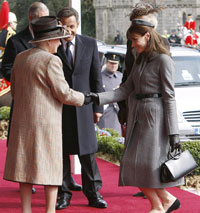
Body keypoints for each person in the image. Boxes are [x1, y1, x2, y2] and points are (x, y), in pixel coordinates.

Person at [85, 19, 184, 213]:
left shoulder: (163, 60)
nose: (132, 44)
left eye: (134, 39)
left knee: (146, 167)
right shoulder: (140, 59)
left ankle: (160, 205)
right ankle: (165, 202)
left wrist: (174, 133)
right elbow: (125, 90)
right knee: (131, 165)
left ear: (147, 36)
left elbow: (170, 97)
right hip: (137, 115)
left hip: (155, 118)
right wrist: (96, 97)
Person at [3, 16, 85, 213]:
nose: (59, 43)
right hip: (46, 124)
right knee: (51, 169)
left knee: (24, 169)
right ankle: (49, 211)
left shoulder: (21, 57)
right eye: (58, 39)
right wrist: (84, 98)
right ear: (49, 40)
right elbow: (64, 93)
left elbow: (14, 90)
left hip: (21, 122)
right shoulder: (51, 60)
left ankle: (26, 210)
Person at [55, 7, 107, 210]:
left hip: (85, 107)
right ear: (59, 25)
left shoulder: (90, 43)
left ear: (77, 24)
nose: (69, 31)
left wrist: (98, 107)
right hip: (60, 108)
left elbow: (97, 77)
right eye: (65, 26)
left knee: (88, 154)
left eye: (72, 26)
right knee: (61, 154)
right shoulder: (52, 45)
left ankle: (94, 193)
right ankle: (63, 194)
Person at [118, 1, 169, 198]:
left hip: (150, 106)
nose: (132, 42)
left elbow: (163, 84)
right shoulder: (132, 44)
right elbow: (127, 74)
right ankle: (150, 190)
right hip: (132, 99)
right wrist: (122, 103)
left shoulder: (161, 49)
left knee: (148, 154)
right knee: (133, 155)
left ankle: (158, 195)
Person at [97, 53, 122, 135]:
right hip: (104, 115)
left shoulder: (120, 77)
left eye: (115, 64)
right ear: (106, 63)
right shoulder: (99, 77)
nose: (113, 66)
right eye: (111, 63)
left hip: (117, 116)